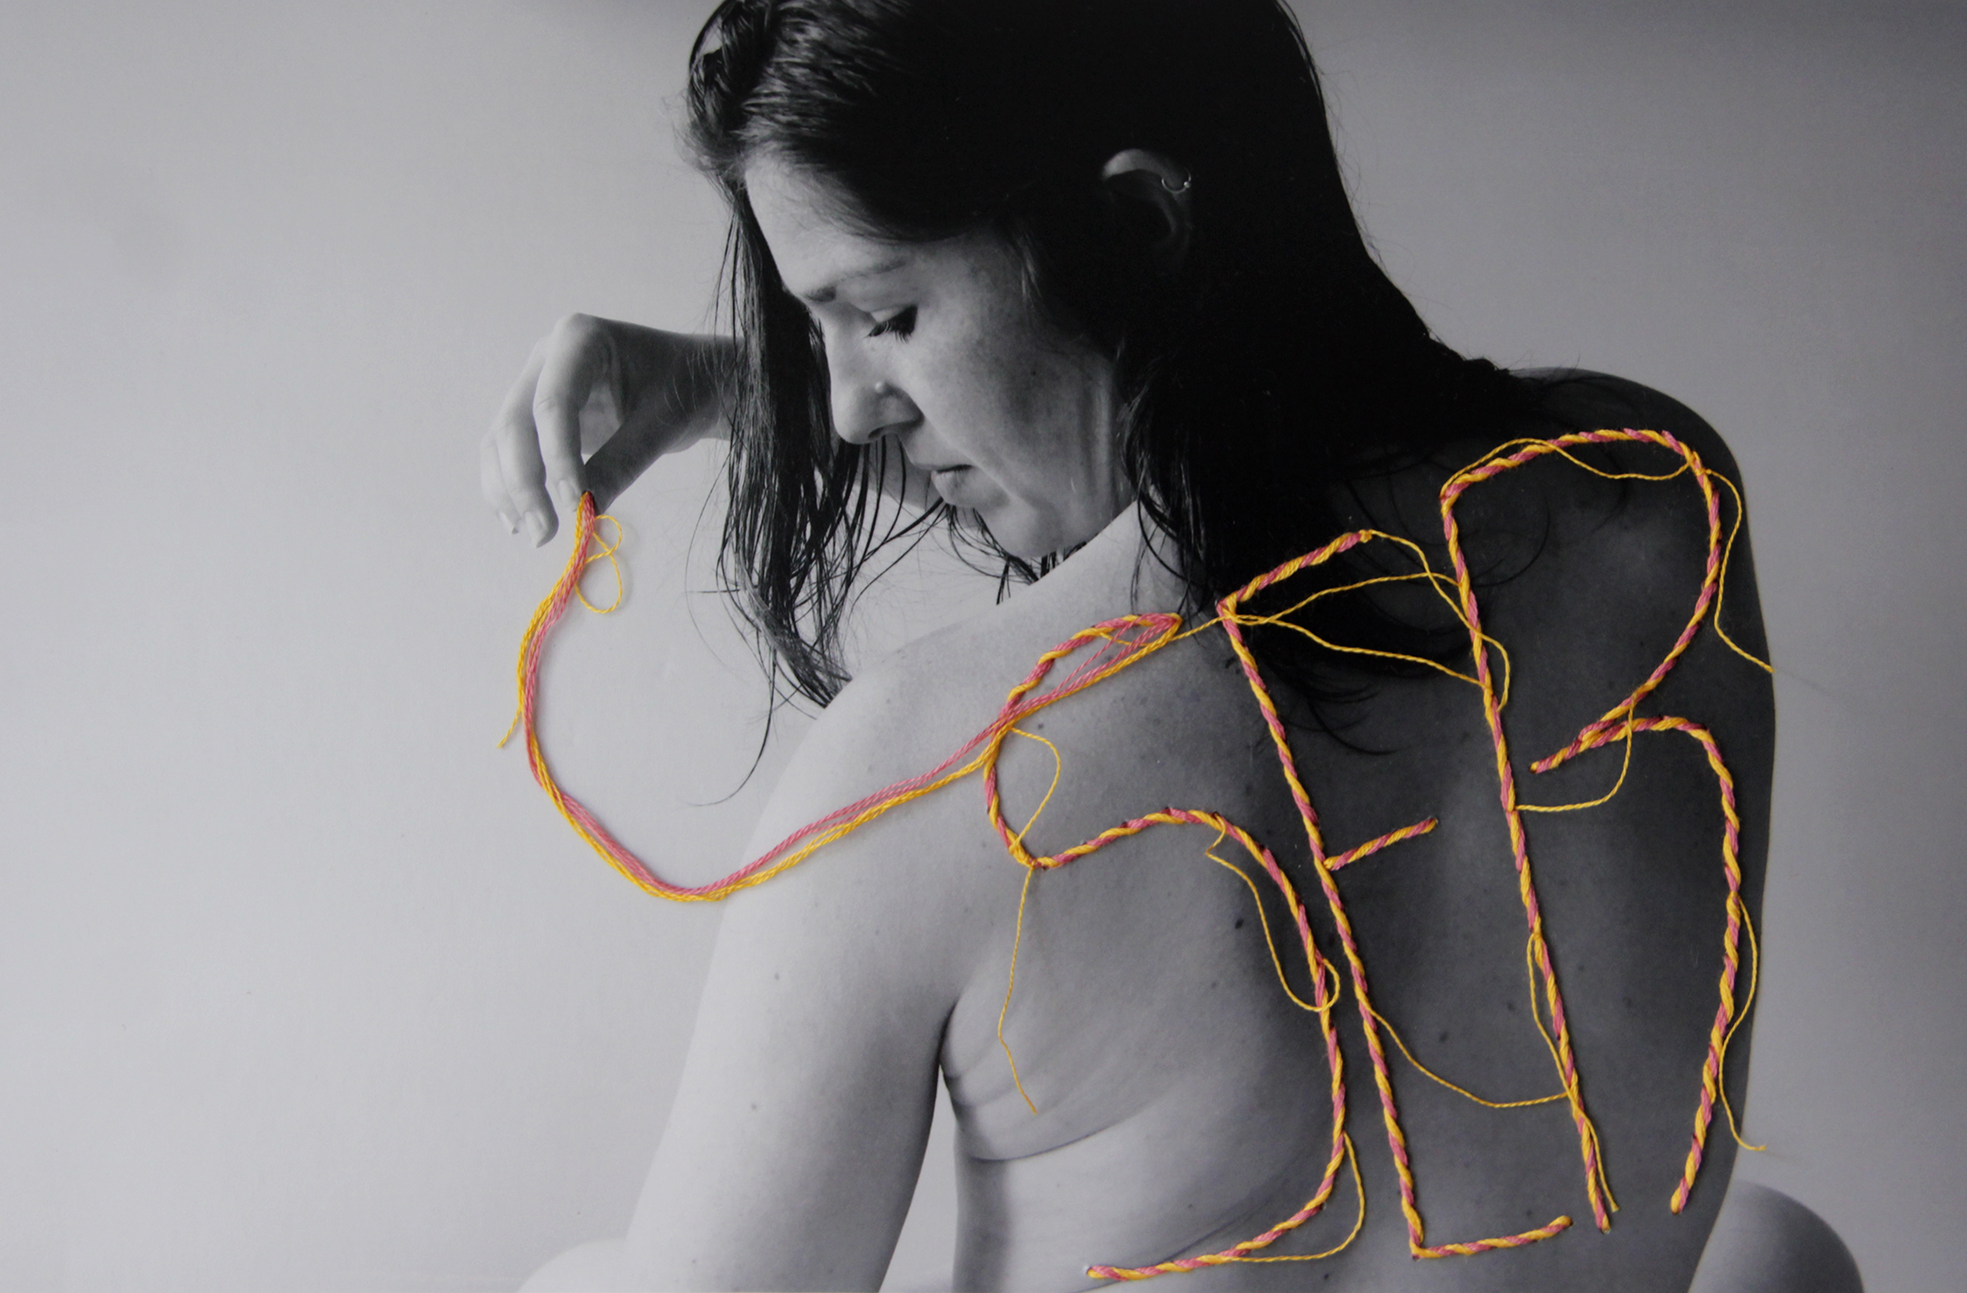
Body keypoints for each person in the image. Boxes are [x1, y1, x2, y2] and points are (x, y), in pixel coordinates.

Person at [480, 2, 1860, 1289]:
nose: (842, 409)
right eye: (814, 329)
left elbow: (1185, 544)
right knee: (1775, 1247)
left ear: (1138, 227)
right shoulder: (1653, 498)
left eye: (886, 317)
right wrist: (735, 386)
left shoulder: (932, 771)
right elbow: (1264, 489)